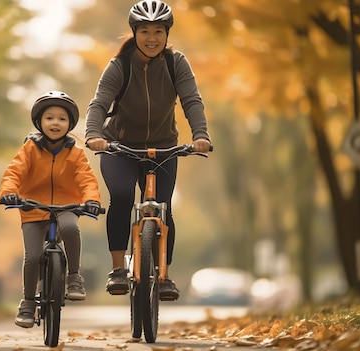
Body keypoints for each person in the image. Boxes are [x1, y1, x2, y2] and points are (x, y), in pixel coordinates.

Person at [85, 0, 211, 301]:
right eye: (144, 31)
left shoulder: (176, 63)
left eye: (158, 31)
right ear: (134, 32)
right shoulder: (119, 65)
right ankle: (118, 269)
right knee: (123, 197)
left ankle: (164, 274)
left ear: (167, 34)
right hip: (120, 147)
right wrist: (93, 134)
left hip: (164, 147)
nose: (151, 38)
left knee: (163, 205)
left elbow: (191, 100)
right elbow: (99, 104)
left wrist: (200, 135)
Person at [0, 91, 102, 328]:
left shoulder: (75, 153)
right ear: (39, 122)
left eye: (62, 119)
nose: (55, 123)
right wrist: (8, 193)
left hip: (66, 206)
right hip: (32, 209)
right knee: (33, 256)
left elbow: (87, 180)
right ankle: (27, 303)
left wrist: (91, 200)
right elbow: (13, 173)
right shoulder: (29, 149)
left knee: (70, 228)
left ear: (69, 124)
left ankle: (74, 276)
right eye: (50, 118)